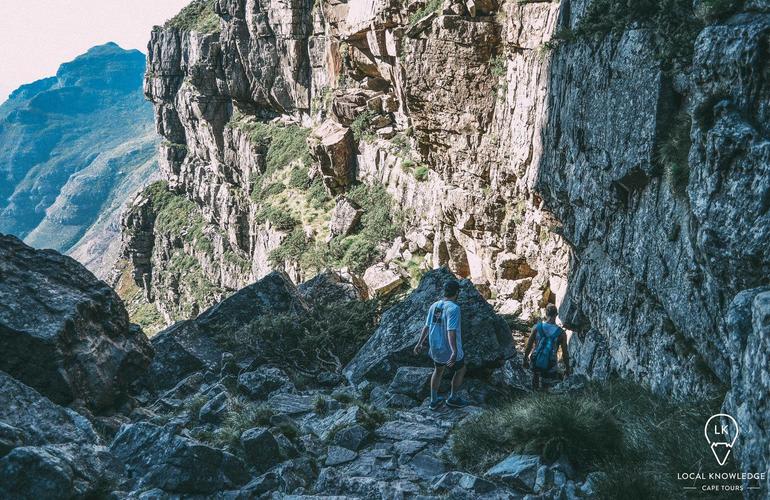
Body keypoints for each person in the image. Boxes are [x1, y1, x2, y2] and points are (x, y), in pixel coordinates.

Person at [413, 279, 469, 410]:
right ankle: (453, 398)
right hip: (448, 349)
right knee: (461, 369)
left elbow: (426, 326)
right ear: (457, 292)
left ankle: (433, 400)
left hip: (435, 347)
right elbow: (451, 330)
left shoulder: (435, 306)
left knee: (438, 371)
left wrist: (419, 343)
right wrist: (454, 351)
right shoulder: (454, 308)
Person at [523, 303, 570, 390]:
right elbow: (565, 353)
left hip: (535, 360)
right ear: (556, 315)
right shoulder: (561, 333)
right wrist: (567, 368)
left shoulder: (537, 327)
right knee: (547, 387)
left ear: (546, 314)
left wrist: (525, 359)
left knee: (535, 380)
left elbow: (529, 346)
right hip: (550, 363)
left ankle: (534, 397)